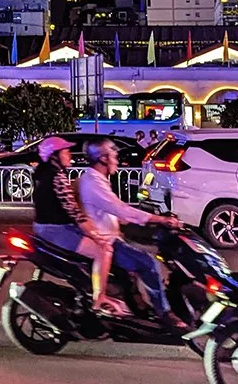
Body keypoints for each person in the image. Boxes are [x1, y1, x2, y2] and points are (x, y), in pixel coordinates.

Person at [77, 138, 187, 332]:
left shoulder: (96, 179)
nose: (117, 160)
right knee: (148, 263)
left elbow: (116, 213)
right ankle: (164, 313)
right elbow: (123, 210)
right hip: (106, 240)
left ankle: (138, 304)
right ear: (103, 158)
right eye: (114, 156)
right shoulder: (94, 183)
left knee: (141, 254)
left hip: (111, 234)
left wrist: (133, 221)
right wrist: (161, 220)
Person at [28, 136, 120, 312]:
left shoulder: (42, 173)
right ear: (55, 155)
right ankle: (99, 298)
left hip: (43, 228)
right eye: (66, 151)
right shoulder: (57, 177)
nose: (70, 155)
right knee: (104, 250)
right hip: (57, 231)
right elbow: (75, 213)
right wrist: (96, 235)